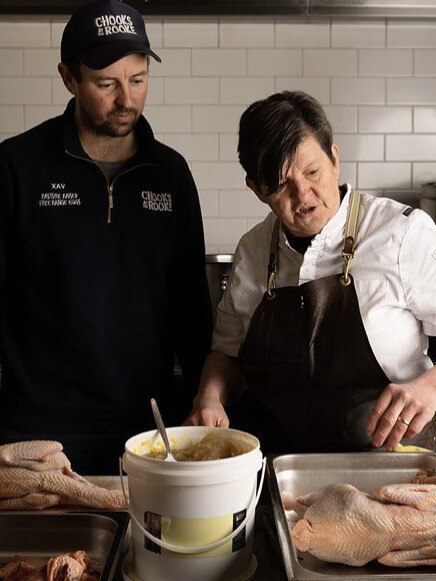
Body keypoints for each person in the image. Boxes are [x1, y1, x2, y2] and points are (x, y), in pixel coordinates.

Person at [0, 0, 213, 474]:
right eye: (106, 84)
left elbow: (192, 310)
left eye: (138, 80)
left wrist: (202, 406)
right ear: (69, 78)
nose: (127, 99)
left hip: (146, 433)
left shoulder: (170, 175)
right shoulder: (16, 168)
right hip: (35, 435)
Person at [186, 90, 436, 454]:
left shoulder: (403, 234)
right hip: (279, 465)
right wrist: (209, 397)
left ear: (335, 159)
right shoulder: (253, 251)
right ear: (256, 189)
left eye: (312, 171)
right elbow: (227, 353)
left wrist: (428, 387)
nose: (303, 194)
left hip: (390, 464)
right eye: (281, 184)